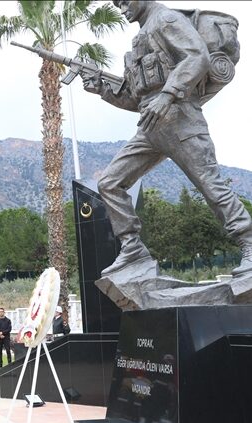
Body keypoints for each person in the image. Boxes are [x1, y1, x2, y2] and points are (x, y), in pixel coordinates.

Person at [82, 0, 252, 277]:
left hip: (182, 119)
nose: (121, 8)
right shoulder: (141, 36)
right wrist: (101, 88)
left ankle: (249, 242)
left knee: (211, 187)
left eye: (125, 1)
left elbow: (198, 56)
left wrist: (168, 94)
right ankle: (133, 248)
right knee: (110, 183)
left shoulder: (166, 19)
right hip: (150, 127)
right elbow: (137, 99)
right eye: (117, 4)